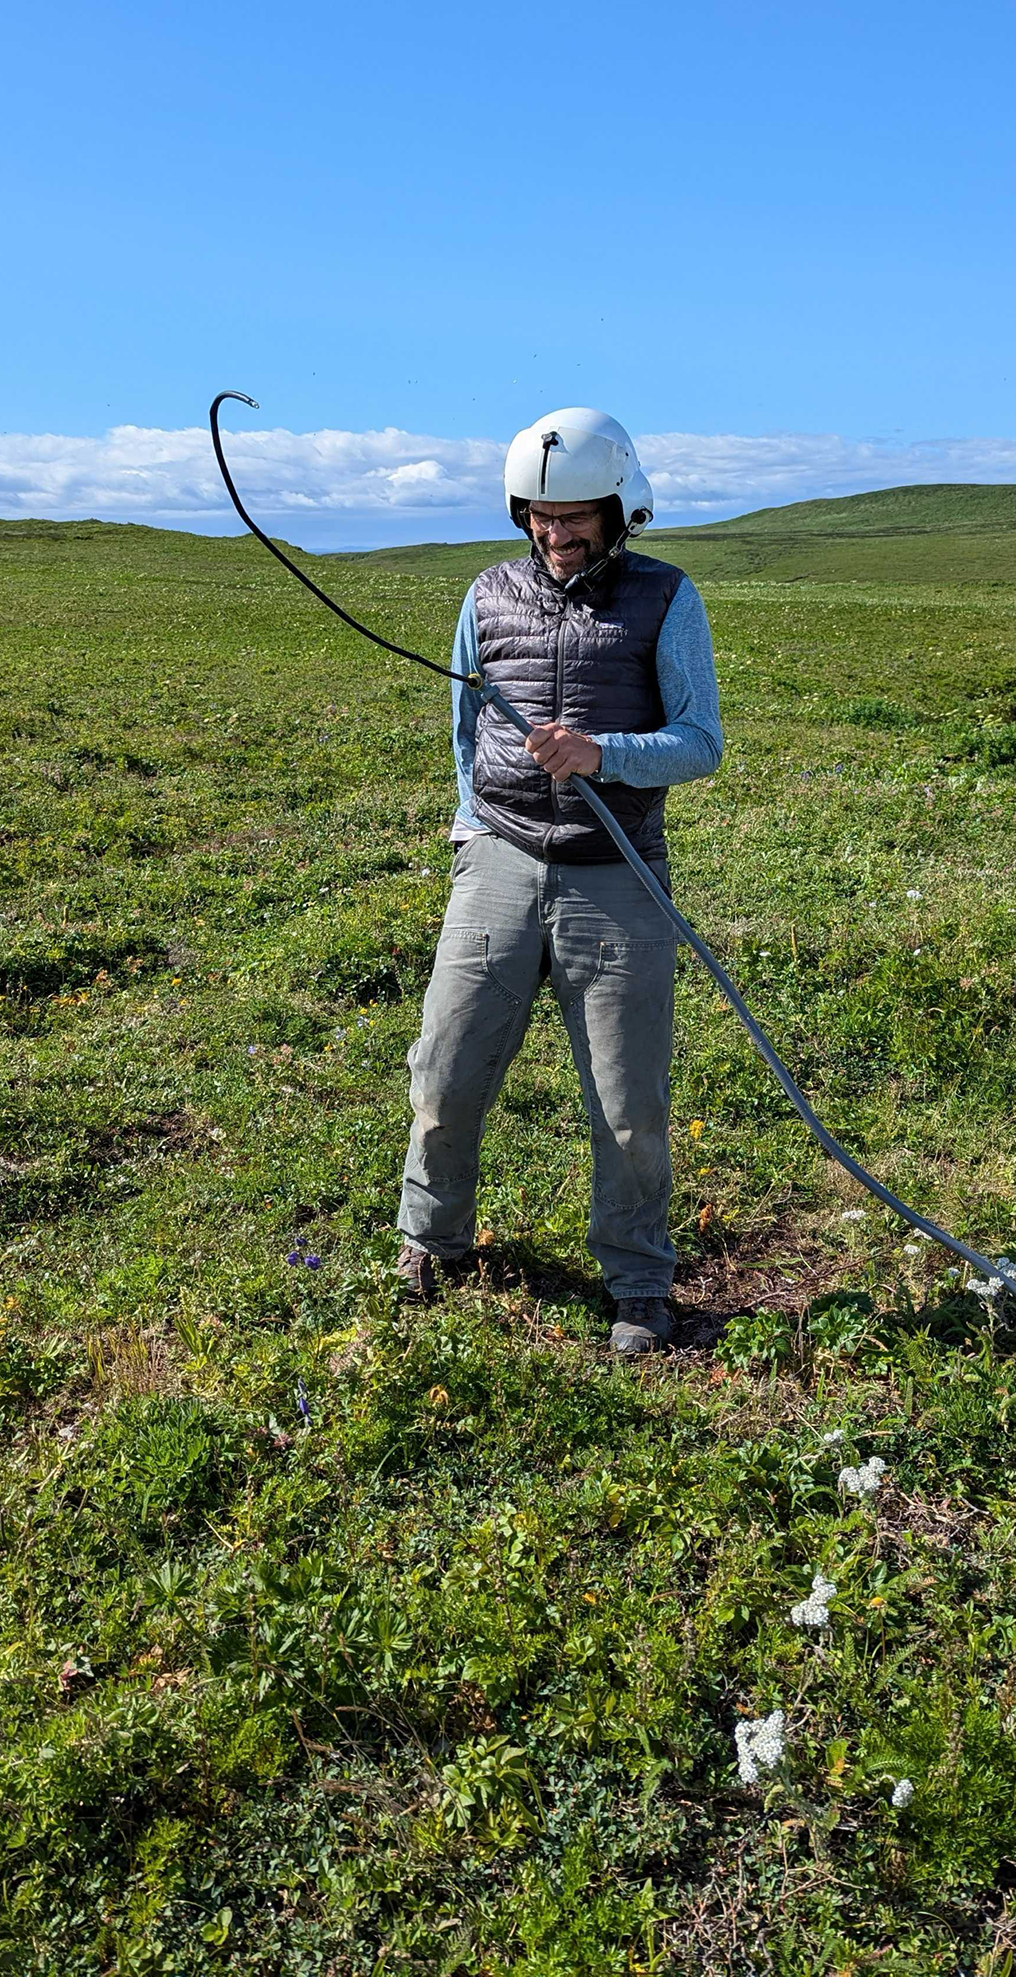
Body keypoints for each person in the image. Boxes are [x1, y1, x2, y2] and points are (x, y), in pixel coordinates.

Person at [394, 408, 724, 1355]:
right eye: (539, 514)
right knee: (445, 1072)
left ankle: (638, 1285)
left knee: (629, 1101)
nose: (556, 532)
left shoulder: (668, 598)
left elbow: (700, 744)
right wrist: (471, 832)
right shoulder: (486, 594)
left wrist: (603, 752)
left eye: (576, 515)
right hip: (497, 861)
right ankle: (432, 1242)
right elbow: (467, 733)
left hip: (616, 876)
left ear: (623, 511)